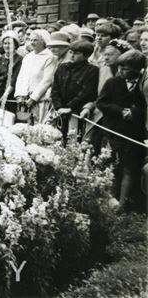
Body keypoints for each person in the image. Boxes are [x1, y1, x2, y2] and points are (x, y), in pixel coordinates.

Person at [97, 50, 147, 211]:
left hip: (134, 133)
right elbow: (102, 103)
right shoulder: (112, 82)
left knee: (129, 167)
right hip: (113, 131)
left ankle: (123, 204)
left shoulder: (143, 84)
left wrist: (135, 112)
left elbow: (144, 106)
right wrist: (121, 111)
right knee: (110, 165)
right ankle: (109, 200)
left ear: (137, 69)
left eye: (125, 69)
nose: (120, 72)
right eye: (119, 68)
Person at [51, 41, 99, 140]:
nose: (72, 56)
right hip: (60, 112)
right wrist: (59, 107)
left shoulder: (92, 70)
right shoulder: (62, 67)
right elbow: (55, 89)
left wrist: (70, 107)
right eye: (71, 52)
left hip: (78, 112)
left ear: (86, 56)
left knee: (74, 140)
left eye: (76, 53)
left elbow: (87, 92)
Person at [14, 29, 57, 124]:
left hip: (41, 100)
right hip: (25, 100)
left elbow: (47, 80)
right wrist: (19, 95)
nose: (32, 42)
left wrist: (33, 98)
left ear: (43, 41)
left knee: (39, 126)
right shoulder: (27, 57)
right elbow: (21, 76)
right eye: (31, 40)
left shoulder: (50, 57)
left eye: (35, 40)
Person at [0, 31, 22, 111]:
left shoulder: (20, 60)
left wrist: (5, 96)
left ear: (15, 45)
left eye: (10, 43)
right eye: (5, 43)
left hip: (11, 97)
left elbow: (14, 80)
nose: (7, 46)